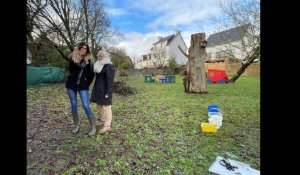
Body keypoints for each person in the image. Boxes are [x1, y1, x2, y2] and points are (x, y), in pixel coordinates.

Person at [62, 42, 96, 136]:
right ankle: (76, 125)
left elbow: (91, 75)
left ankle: (93, 127)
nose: (84, 50)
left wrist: (86, 83)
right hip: (71, 85)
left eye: (86, 48)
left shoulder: (89, 61)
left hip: (83, 86)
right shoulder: (72, 58)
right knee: (73, 105)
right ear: (79, 48)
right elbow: (70, 70)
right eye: (82, 48)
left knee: (86, 105)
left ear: (87, 50)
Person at [90, 50, 115, 134]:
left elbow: (110, 81)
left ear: (106, 56)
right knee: (99, 105)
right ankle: (103, 120)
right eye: (99, 56)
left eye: (102, 56)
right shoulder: (97, 65)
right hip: (98, 88)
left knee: (106, 107)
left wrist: (108, 92)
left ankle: (107, 125)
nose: (100, 57)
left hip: (105, 89)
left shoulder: (109, 66)